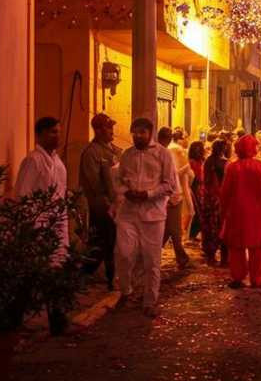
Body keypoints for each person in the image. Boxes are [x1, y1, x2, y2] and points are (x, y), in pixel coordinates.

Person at [114, 117, 178, 318]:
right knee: (123, 253)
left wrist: (148, 194)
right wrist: (126, 191)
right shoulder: (127, 155)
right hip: (128, 212)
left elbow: (170, 185)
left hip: (153, 214)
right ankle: (126, 290)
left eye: (142, 132)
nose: (138, 136)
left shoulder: (163, 154)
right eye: (135, 132)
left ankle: (150, 301)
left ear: (150, 133)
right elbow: (118, 180)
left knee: (152, 260)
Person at [15, 117, 70, 335]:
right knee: (31, 276)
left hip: (57, 225)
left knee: (55, 273)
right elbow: (23, 196)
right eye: (51, 132)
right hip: (39, 226)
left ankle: (58, 321)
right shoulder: (33, 161)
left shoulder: (57, 161)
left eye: (58, 131)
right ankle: (13, 320)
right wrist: (32, 227)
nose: (56, 136)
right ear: (40, 135)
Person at [219, 135, 261, 288]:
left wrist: (222, 212)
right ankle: (256, 279)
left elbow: (225, 193)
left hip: (236, 213)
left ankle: (238, 277)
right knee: (257, 248)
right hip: (258, 213)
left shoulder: (232, 167)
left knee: (236, 247)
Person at [79, 113, 122, 291]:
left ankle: (97, 275)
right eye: (108, 127)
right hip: (101, 205)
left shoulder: (114, 150)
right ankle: (89, 275)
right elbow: (94, 183)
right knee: (103, 242)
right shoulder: (92, 152)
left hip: (116, 204)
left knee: (110, 242)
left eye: (112, 126)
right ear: (97, 130)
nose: (112, 130)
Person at [157, 127, 192, 269]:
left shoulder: (165, 151)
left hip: (172, 196)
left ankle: (180, 257)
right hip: (169, 197)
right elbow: (169, 176)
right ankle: (181, 257)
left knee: (170, 230)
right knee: (173, 230)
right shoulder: (162, 153)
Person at [201, 139, 229, 266]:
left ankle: (210, 257)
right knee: (223, 228)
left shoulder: (208, 161)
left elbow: (205, 181)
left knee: (210, 228)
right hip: (220, 199)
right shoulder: (224, 163)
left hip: (209, 199)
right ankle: (224, 259)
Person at [187, 141, 205, 243]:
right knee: (197, 212)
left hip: (201, 188)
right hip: (195, 188)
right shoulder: (191, 162)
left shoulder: (202, 161)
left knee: (201, 212)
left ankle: (196, 234)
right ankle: (192, 235)